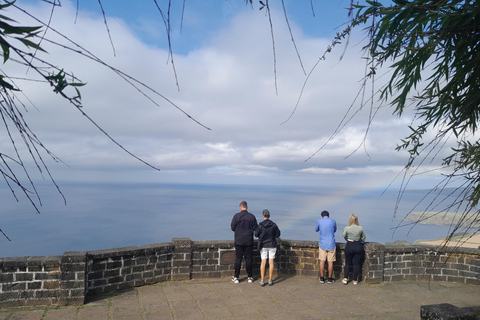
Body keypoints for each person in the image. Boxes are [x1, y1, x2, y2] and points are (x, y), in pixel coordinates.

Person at [231, 201, 258, 284]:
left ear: (240, 207)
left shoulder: (236, 216)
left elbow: (232, 227)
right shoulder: (251, 217)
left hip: (239, 241)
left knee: (238, 258)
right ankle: (250, 277)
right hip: (248, 241)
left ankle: (236, 277)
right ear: (247, 207)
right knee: (248, 259)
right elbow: (255, 228)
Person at [255, 209, 281, 286]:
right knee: (271, 262)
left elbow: (256, 234)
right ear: (269, 216)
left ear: (263, 216)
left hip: (263, 245)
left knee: (263, 262)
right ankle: (270, 280)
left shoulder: (260, 225)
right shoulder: (273, 225)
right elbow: (278, 234)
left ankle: (262, 280)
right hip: (272, 245)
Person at [342, 214, 366, 285]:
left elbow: (344, 235)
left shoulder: (347, 228)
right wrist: (360, 241)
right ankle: (355, 280)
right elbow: (363, 237)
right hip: (358, 245)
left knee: (348, 263)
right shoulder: (360, 228)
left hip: (349, 245)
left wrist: (348, 239)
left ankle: (346, 279)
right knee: (356, 264)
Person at [315, 210, 337, 284]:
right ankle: (330, 278)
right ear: (328, 216)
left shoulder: (319, 221)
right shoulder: (333, 221)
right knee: (330, 262)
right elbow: (334, 230)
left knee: (322, 261)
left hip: (322, 244)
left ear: (321, 216)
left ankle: (322, 278)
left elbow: (316, 230)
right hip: (331, 244)